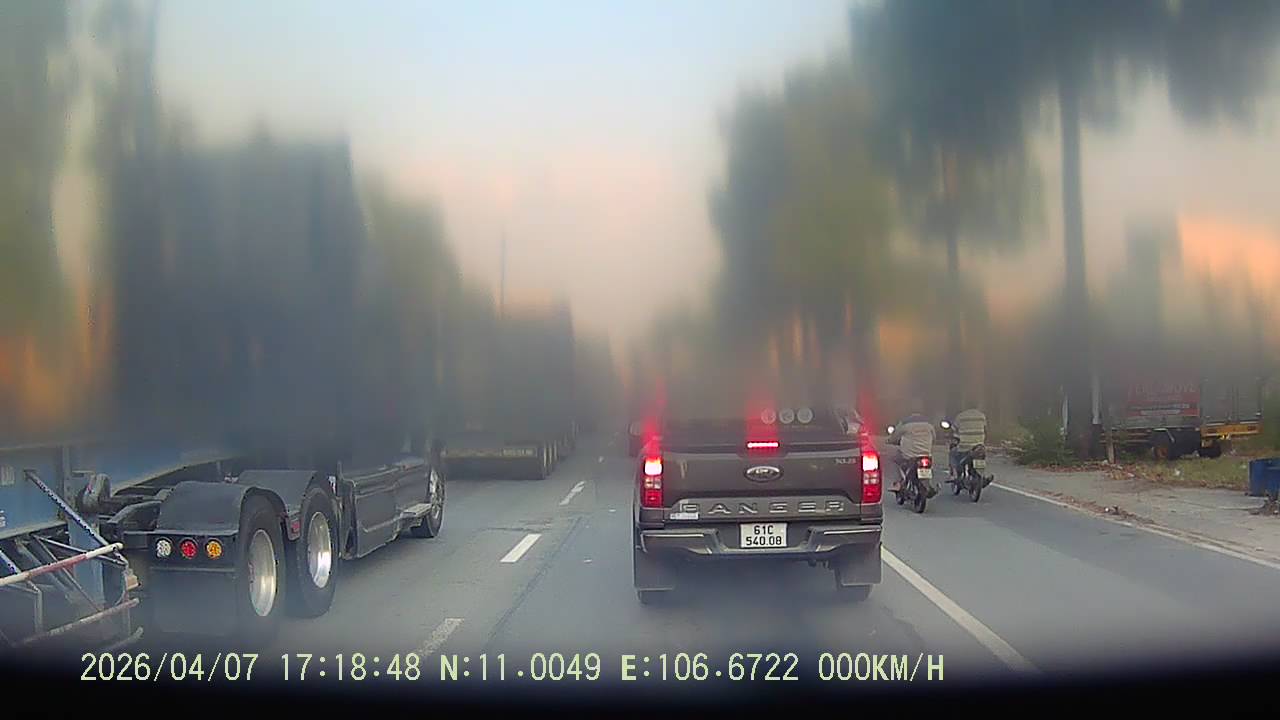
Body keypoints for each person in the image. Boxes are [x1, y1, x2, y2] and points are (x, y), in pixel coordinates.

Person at [887, 404, 936, 494]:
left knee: (894, 460)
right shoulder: (929, 424)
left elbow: (895, 436)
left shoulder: (905, 423)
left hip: (909, 455)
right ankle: (928, 485)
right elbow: (934, 437)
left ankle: (898, 483)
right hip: (926, 454)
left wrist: (890, 440)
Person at [949, 407, 988, 481]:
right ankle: (982, 475)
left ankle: (954, 475)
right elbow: (985, 429)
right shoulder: (982, 416)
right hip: (979, 447)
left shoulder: (960, 416)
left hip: (964, 447)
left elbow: (953, 430)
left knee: (952, 454)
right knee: (981, 459)